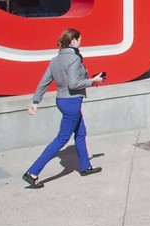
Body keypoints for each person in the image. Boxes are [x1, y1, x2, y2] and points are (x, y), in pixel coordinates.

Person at [22, 28, 105, 189]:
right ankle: (32, 172)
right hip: (72, 102)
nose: (81, 43)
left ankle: (85, 166)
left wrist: (35, 101)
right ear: (73, 41)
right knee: (62, 139)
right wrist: (93, 80)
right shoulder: (74, 59)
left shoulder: (55, 59)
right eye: (80, 40)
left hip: (62, 100)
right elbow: (73, 84)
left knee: (81, 133)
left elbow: (44, 81)